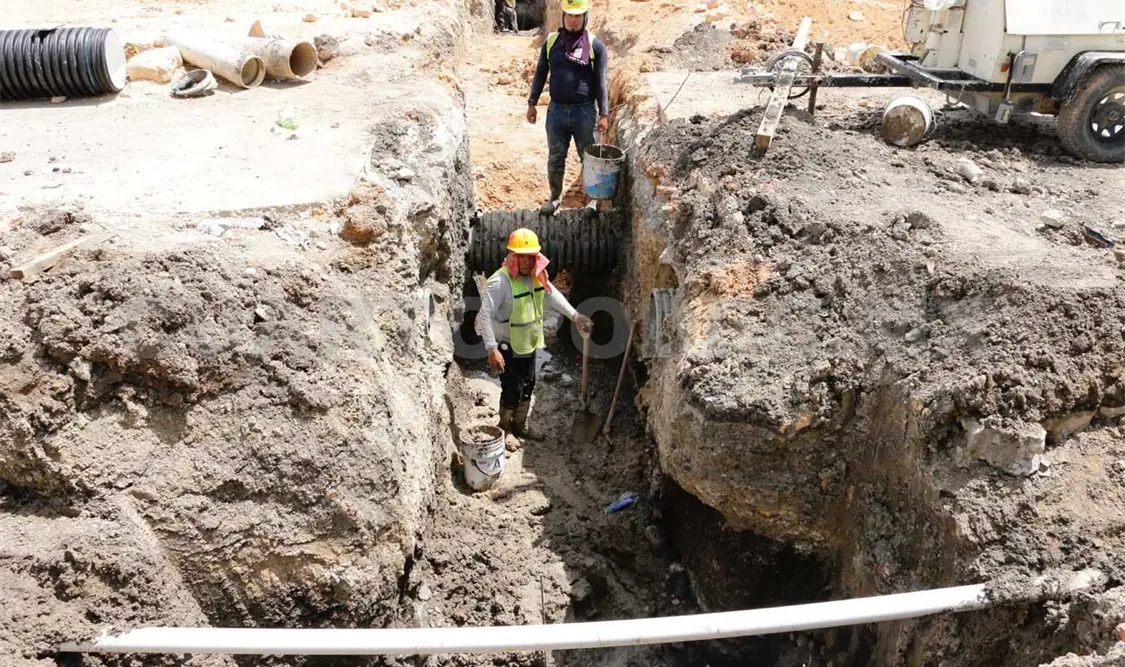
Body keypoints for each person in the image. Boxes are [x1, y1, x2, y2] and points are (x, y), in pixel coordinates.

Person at [478, 228, 593, 446]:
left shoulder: (536, 276)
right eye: (523, 256)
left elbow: (552, 296)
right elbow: (484, 316)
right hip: (506, 346)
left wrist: (575, 316)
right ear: (513, 256)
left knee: (528, 385)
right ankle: (505, 428)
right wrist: (491, 349)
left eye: (531, 256)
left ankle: (521, 425)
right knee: (512, 389)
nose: (528, 261)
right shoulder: (500, 282)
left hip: (528, 344)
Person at [526, 0, 609, 218]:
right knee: (555, 157)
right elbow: (540, 75)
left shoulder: (595, 46)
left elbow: (601, 82)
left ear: (585, 18)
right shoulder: (551, 42)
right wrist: (532, 103)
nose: (573, 21)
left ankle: (592, 201)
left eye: (578, 16)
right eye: (569, 16)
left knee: (588, 158)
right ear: (563, 16)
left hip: (584, 113)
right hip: (557, 113)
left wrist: (604, 114)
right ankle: (554, 199)